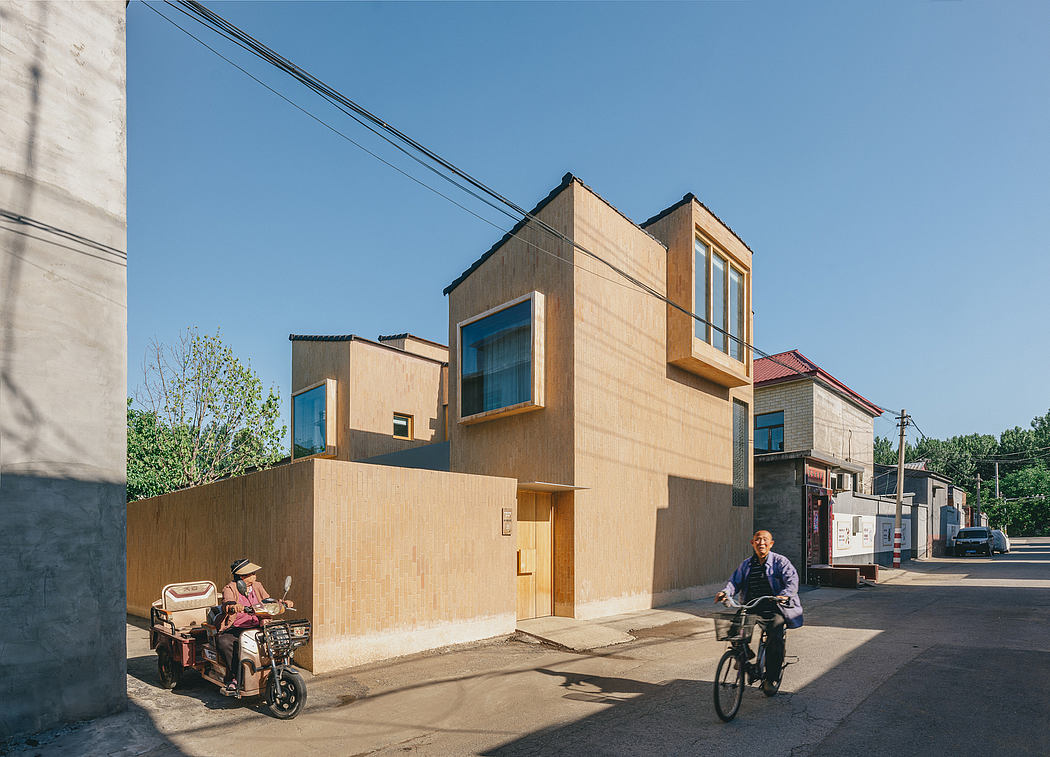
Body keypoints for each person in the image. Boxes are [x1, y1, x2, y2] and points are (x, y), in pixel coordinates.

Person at [714, 530, 802, 693]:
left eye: (765, 540)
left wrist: (784, 595)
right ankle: (743, 655)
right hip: (752, 605)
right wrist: (725, 593)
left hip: (774, 607)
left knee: (775, 636)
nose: (761, 542)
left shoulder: (780, 562)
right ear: (752, 543)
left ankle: (771, 678)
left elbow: (792, 581)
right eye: (757, 540)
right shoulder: (746, 564)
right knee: (734, 631)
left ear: (771, 543)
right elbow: (734, 582)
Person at [216, 558, 293, 695]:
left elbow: (267, 601)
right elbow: (227, 603)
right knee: (224, 642)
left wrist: (281, 603)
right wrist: (233, 607)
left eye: (254, 573)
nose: (254, 576)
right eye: (251, 574)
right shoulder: (230, 588)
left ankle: (280, 668)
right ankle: (236, 677)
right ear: (242, 576)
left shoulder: (257, 586)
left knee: (281, 636)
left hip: (258, 623)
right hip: (238, 627)